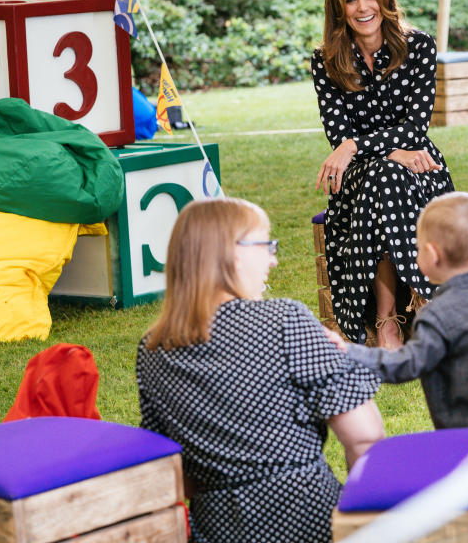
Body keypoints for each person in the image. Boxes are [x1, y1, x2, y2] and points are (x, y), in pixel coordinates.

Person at [136, 198, 384, 543]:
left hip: (217, 528)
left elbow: (178, 472)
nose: (273, 258)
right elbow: (364, 435)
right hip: (308, 519)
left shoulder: (153, 348)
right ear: (232, 252)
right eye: (265, 244)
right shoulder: (284, 321)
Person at [311, 0, 454, 350]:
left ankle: (391, 318)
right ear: (339, 8)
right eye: (351, 0)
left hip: (421, 168)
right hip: (360, 179)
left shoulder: (419, 46)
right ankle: (411, 309)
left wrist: (358, 144)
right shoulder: (324, 61)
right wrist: (390, 154)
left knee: (388, 178)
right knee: (383, 176)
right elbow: (337, 134)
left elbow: (415, 128)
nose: (363, 8)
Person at [326, 192, 468, 429]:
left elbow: (405, 364)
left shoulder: (436, 315)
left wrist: (349, 352)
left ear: (432, 255)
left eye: (417, 249)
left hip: (462, 434)